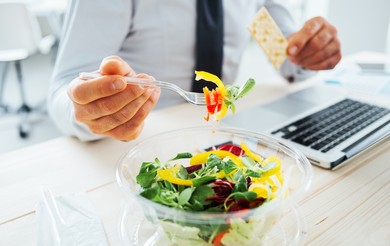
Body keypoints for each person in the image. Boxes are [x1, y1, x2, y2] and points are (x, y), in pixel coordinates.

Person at [48, 0, 341, 142]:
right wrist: (90, 111)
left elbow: (288, 58)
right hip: (139, 141)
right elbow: (65, 87)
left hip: (226, 132)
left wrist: (310, 52)